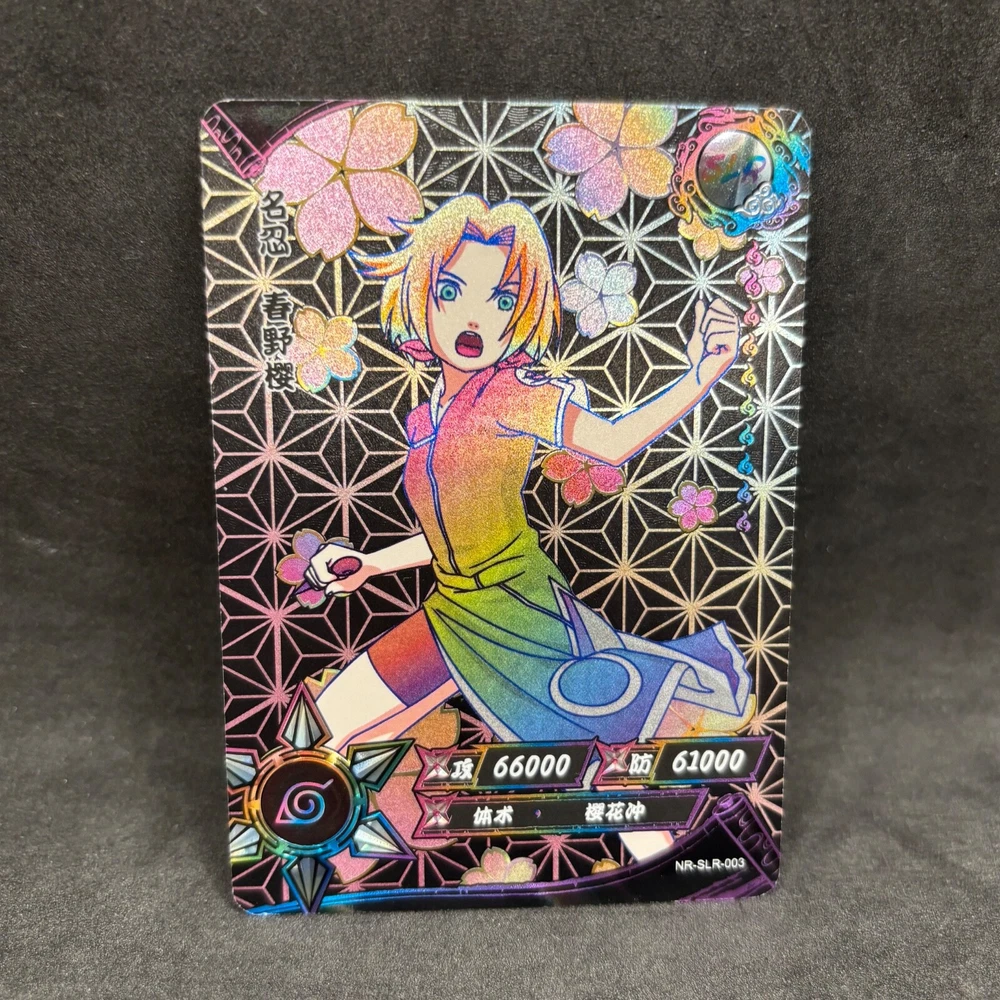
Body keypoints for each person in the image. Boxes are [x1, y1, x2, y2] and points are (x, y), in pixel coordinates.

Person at [305, 196, 750, 857]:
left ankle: (676, 867)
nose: (474, 319)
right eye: (451, 290)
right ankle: (331, 871)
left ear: (525, 312)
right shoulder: (428, 418)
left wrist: (701, 375)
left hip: (520, 612)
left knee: (594, 758)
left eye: (502, 299)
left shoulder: (513, 393)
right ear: (421, 294)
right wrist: (371, 564)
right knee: (334, 725)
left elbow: (612, 442)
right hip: (453, 609)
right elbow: (455, 532)